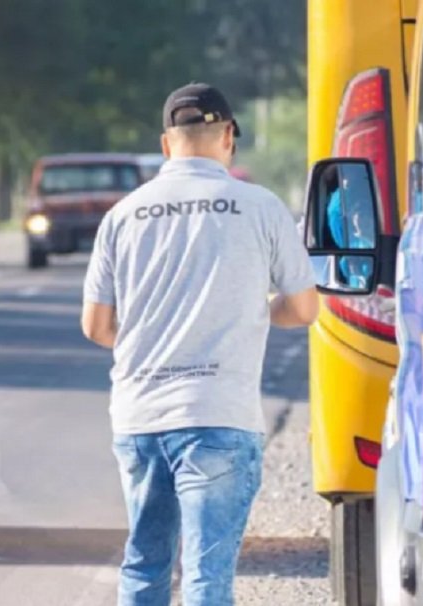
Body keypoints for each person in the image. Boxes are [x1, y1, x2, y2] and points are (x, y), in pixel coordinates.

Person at [81, 82, 319, 606]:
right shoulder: (260, 207)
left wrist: (154, 341)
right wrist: (255, 314)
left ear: (167, 144)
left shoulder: (123, 215)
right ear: (228, 137)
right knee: (207, 579)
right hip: (219, 414)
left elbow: (97, 326)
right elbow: (304, 309)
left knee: (144, 563)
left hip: (140, 415)